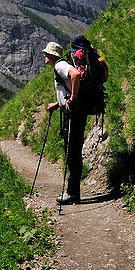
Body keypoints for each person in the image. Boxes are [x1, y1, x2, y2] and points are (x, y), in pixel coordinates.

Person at [43, 41, 85, 204]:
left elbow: (75, 75)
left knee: (72, 152)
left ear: (53, 55)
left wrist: (72, 99)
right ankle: (74, 192)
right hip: (73, 111)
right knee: (73, 151)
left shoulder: (60, 66)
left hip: (74, 113)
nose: (44, 56)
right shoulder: (59, 66)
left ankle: (72, 193)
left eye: (46, 53)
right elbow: (67, 86)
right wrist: (58, 103)